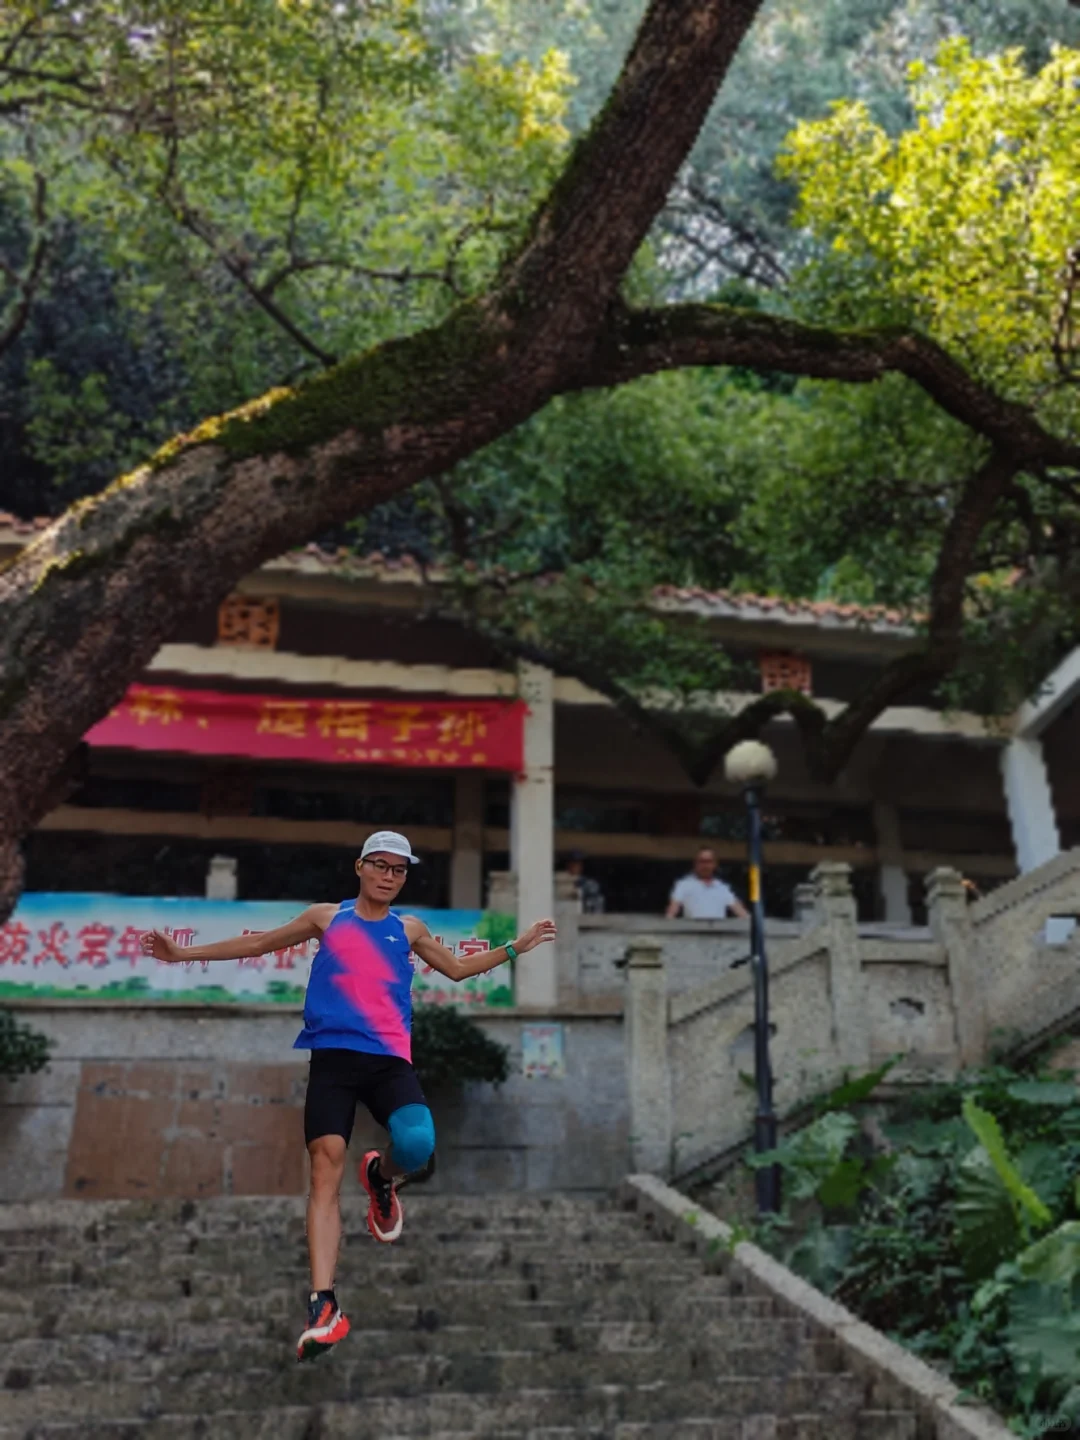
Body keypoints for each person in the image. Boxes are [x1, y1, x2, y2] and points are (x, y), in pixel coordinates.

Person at [141, 829, 556, 1364]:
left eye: (399, 869)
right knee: (325, 1169)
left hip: (388, 1063)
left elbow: (455, 969)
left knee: (418, 1144)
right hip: (333, 1063)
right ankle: (324, 1305)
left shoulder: (409, 929)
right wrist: (182, 954)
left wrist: (515, 947)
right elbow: (258, 943)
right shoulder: (326, 918)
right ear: (359, 867)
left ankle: (380, 1178)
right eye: (379, 865)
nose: (389, 876)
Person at [665, 844, 749, 920]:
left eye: (709, 861)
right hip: (692, 931)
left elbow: (742, 914)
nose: (705, 866)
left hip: (718, 931)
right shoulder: (683, 885)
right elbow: (671, 912)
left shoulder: (723, 887)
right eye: (701, 861)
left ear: (715, 864)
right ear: (695, 864)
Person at [565, 848, 605, 914]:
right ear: (568, 865)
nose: (575, 866)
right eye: (572, 863)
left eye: (578, 863)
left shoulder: (590, 884)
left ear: (581, 866)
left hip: (584, 916)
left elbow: (596, 905)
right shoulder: (561, 881)